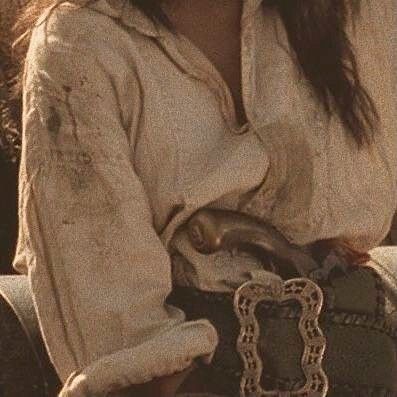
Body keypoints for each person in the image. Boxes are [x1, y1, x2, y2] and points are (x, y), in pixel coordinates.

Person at [11, 0, 397, 396]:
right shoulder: (79, 43)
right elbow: (122, 344)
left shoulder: (359, 11)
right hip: (201, 376)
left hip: (368, 355)